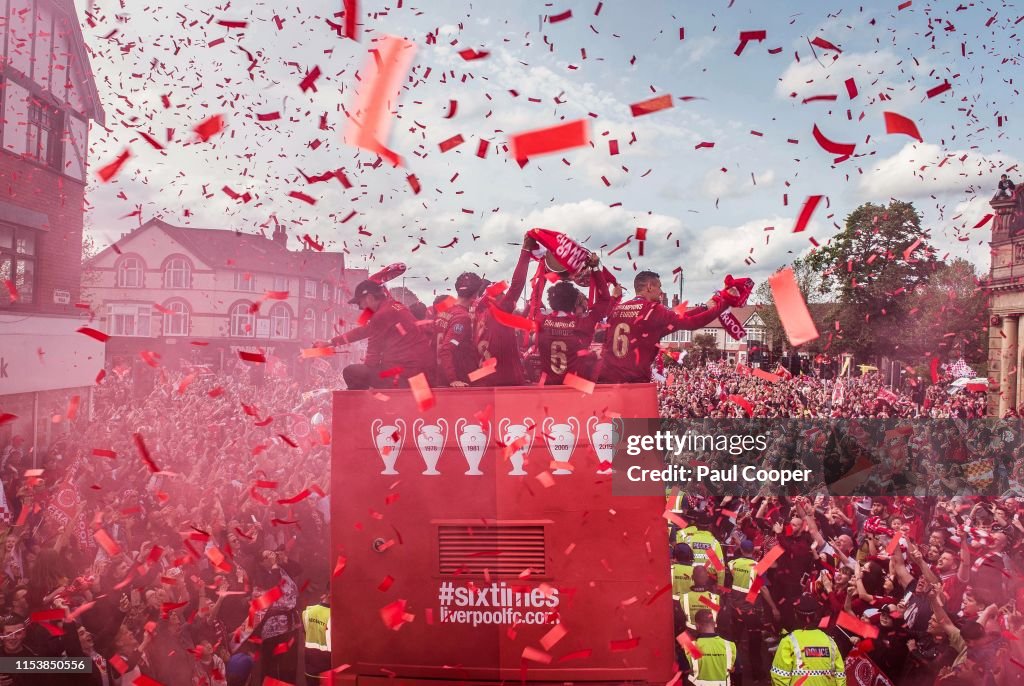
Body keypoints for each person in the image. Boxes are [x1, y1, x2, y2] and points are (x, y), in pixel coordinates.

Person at [597, 271, 753, 383]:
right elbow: (691, 324)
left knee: (610, 428)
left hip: (607, 381)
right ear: (650, 287)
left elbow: (678, 320)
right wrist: (725, 303)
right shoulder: (652, 309)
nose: (661, 292)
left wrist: (705, 307)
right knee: (639, 429)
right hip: (635, 383)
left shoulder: (617, 310)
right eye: (659, 287)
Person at [321, 279, 434, 390]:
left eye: (360, 303)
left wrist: (367, 380)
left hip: (404, 376)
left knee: (351, 372)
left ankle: (363, 406)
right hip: (419, 372)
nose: (360, 308)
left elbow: (372, 359)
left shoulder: (381, 315)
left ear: (369, 298)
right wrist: (330, 342)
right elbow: (363, 331)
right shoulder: (395, 306)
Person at [535, 255, 616, 384]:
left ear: (550, 302)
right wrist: (595, 269)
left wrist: (545, 269)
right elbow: (605, 299)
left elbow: (535, 298)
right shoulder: (583, 323)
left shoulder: (541, 320)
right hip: (577, 390)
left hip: (548, 390)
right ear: (574, 303)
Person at [472, 234, 537, 386]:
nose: (505, 296)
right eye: (501, 293)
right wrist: (525, 251)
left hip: (484, 379)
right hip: (505, 381)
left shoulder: (478, 313)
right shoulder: (498, 311)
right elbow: (517, 285)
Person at [770, 594, 845, 686]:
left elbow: (779, 677)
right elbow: (840, 675)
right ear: (815, 616)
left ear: (796, 615)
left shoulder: (788, 641)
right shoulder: (830, 641)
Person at [437, 272, 483, 387]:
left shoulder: (444, 310)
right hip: (461, 377)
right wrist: (453, 380)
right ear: (475, 295)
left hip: (441, 372)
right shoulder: (462, 318)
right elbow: (446, 349)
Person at [686, 609, 737, 686]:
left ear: (697, 626)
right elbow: (735, 671)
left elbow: (682, 670)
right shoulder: (729, 645)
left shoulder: (692, 647)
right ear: (714, 624)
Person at [302, 592, 331, 684]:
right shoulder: (334, 614)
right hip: (327, 664)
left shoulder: (308, 611)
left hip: (310, 662)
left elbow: (305, 633)